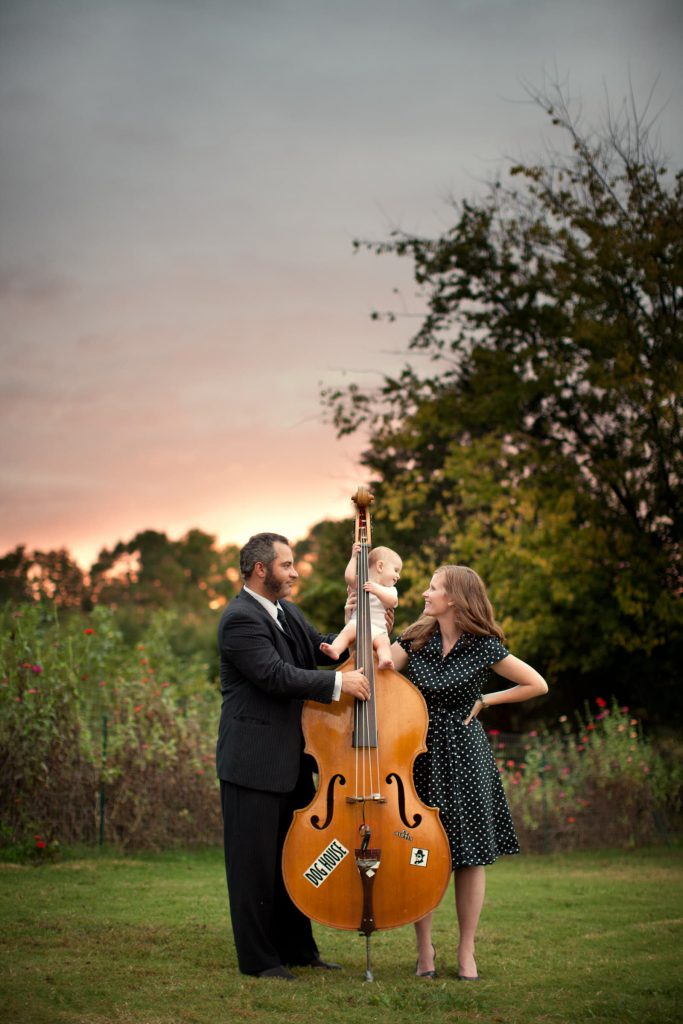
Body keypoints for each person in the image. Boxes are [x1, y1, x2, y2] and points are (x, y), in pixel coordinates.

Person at [216, 532, 371, 981]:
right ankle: (259, 961)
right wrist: (340, 685)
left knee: (293, 862)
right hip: (254, 762)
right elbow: (275, 675)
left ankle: (299, 951)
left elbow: (319, 648)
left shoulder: (286, 612)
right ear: (261, 569)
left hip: (292, 762)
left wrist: (355, 632)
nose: (295, 571)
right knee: (253, 867)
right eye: (287, 565)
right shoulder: (240, 619)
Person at [390, 564, 548, 982]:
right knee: (418, 851)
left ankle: (466, 951)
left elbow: (537, 684)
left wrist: (487, 700)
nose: (425, 593)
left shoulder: (483, 646)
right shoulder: (417, 637)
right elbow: (380, 667)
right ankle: (424, 950)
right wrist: (368, 613)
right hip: (418, 754)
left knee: (469, 855)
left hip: (465, 755)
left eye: (434, 588)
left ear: (454, 598)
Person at [320, 543, 402, 670]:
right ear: (380, 566)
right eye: (396, 570)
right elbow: (349, 577)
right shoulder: (362, 582)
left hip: (379, 629)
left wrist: (376, 590)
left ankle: (385, 660)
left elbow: (392, 601)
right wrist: (353, 558)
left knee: (384, 644)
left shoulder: (390, 590)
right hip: (357, 623)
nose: (398, 576)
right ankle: (335, 649)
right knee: (346, 634)